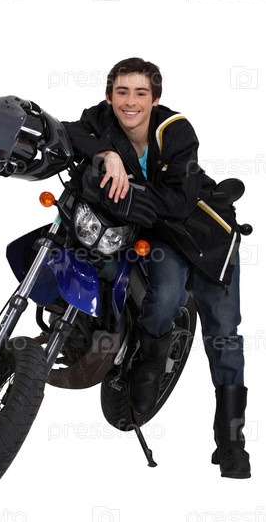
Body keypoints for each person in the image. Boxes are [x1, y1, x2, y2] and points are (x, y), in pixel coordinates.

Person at [62, 57, 251, 479]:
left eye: (141, 93)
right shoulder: (102, 119)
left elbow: (179, 203)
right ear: (109, 96)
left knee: (224, 334)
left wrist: (130, 191)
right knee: (164, 295)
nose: (130, 102)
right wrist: (108, 154)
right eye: (122, 92)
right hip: (162, 234)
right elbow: (69, 132)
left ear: (155, 98)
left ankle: (231, 441)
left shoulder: (176, 131)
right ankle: (149, 363)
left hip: (205, 235)